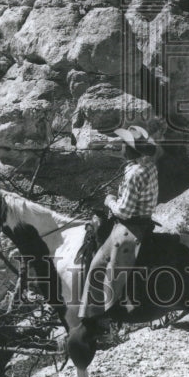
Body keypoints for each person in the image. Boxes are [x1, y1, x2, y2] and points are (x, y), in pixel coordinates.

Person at [78, 126, 159, 329]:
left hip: (130, 227)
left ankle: (103, 316)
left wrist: (109, 201)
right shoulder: (148, 165)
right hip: (144, 220)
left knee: (98, 267)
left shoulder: (135, 173)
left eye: (124, 145)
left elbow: (124, 212)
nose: (120, 148)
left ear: (131, 149)